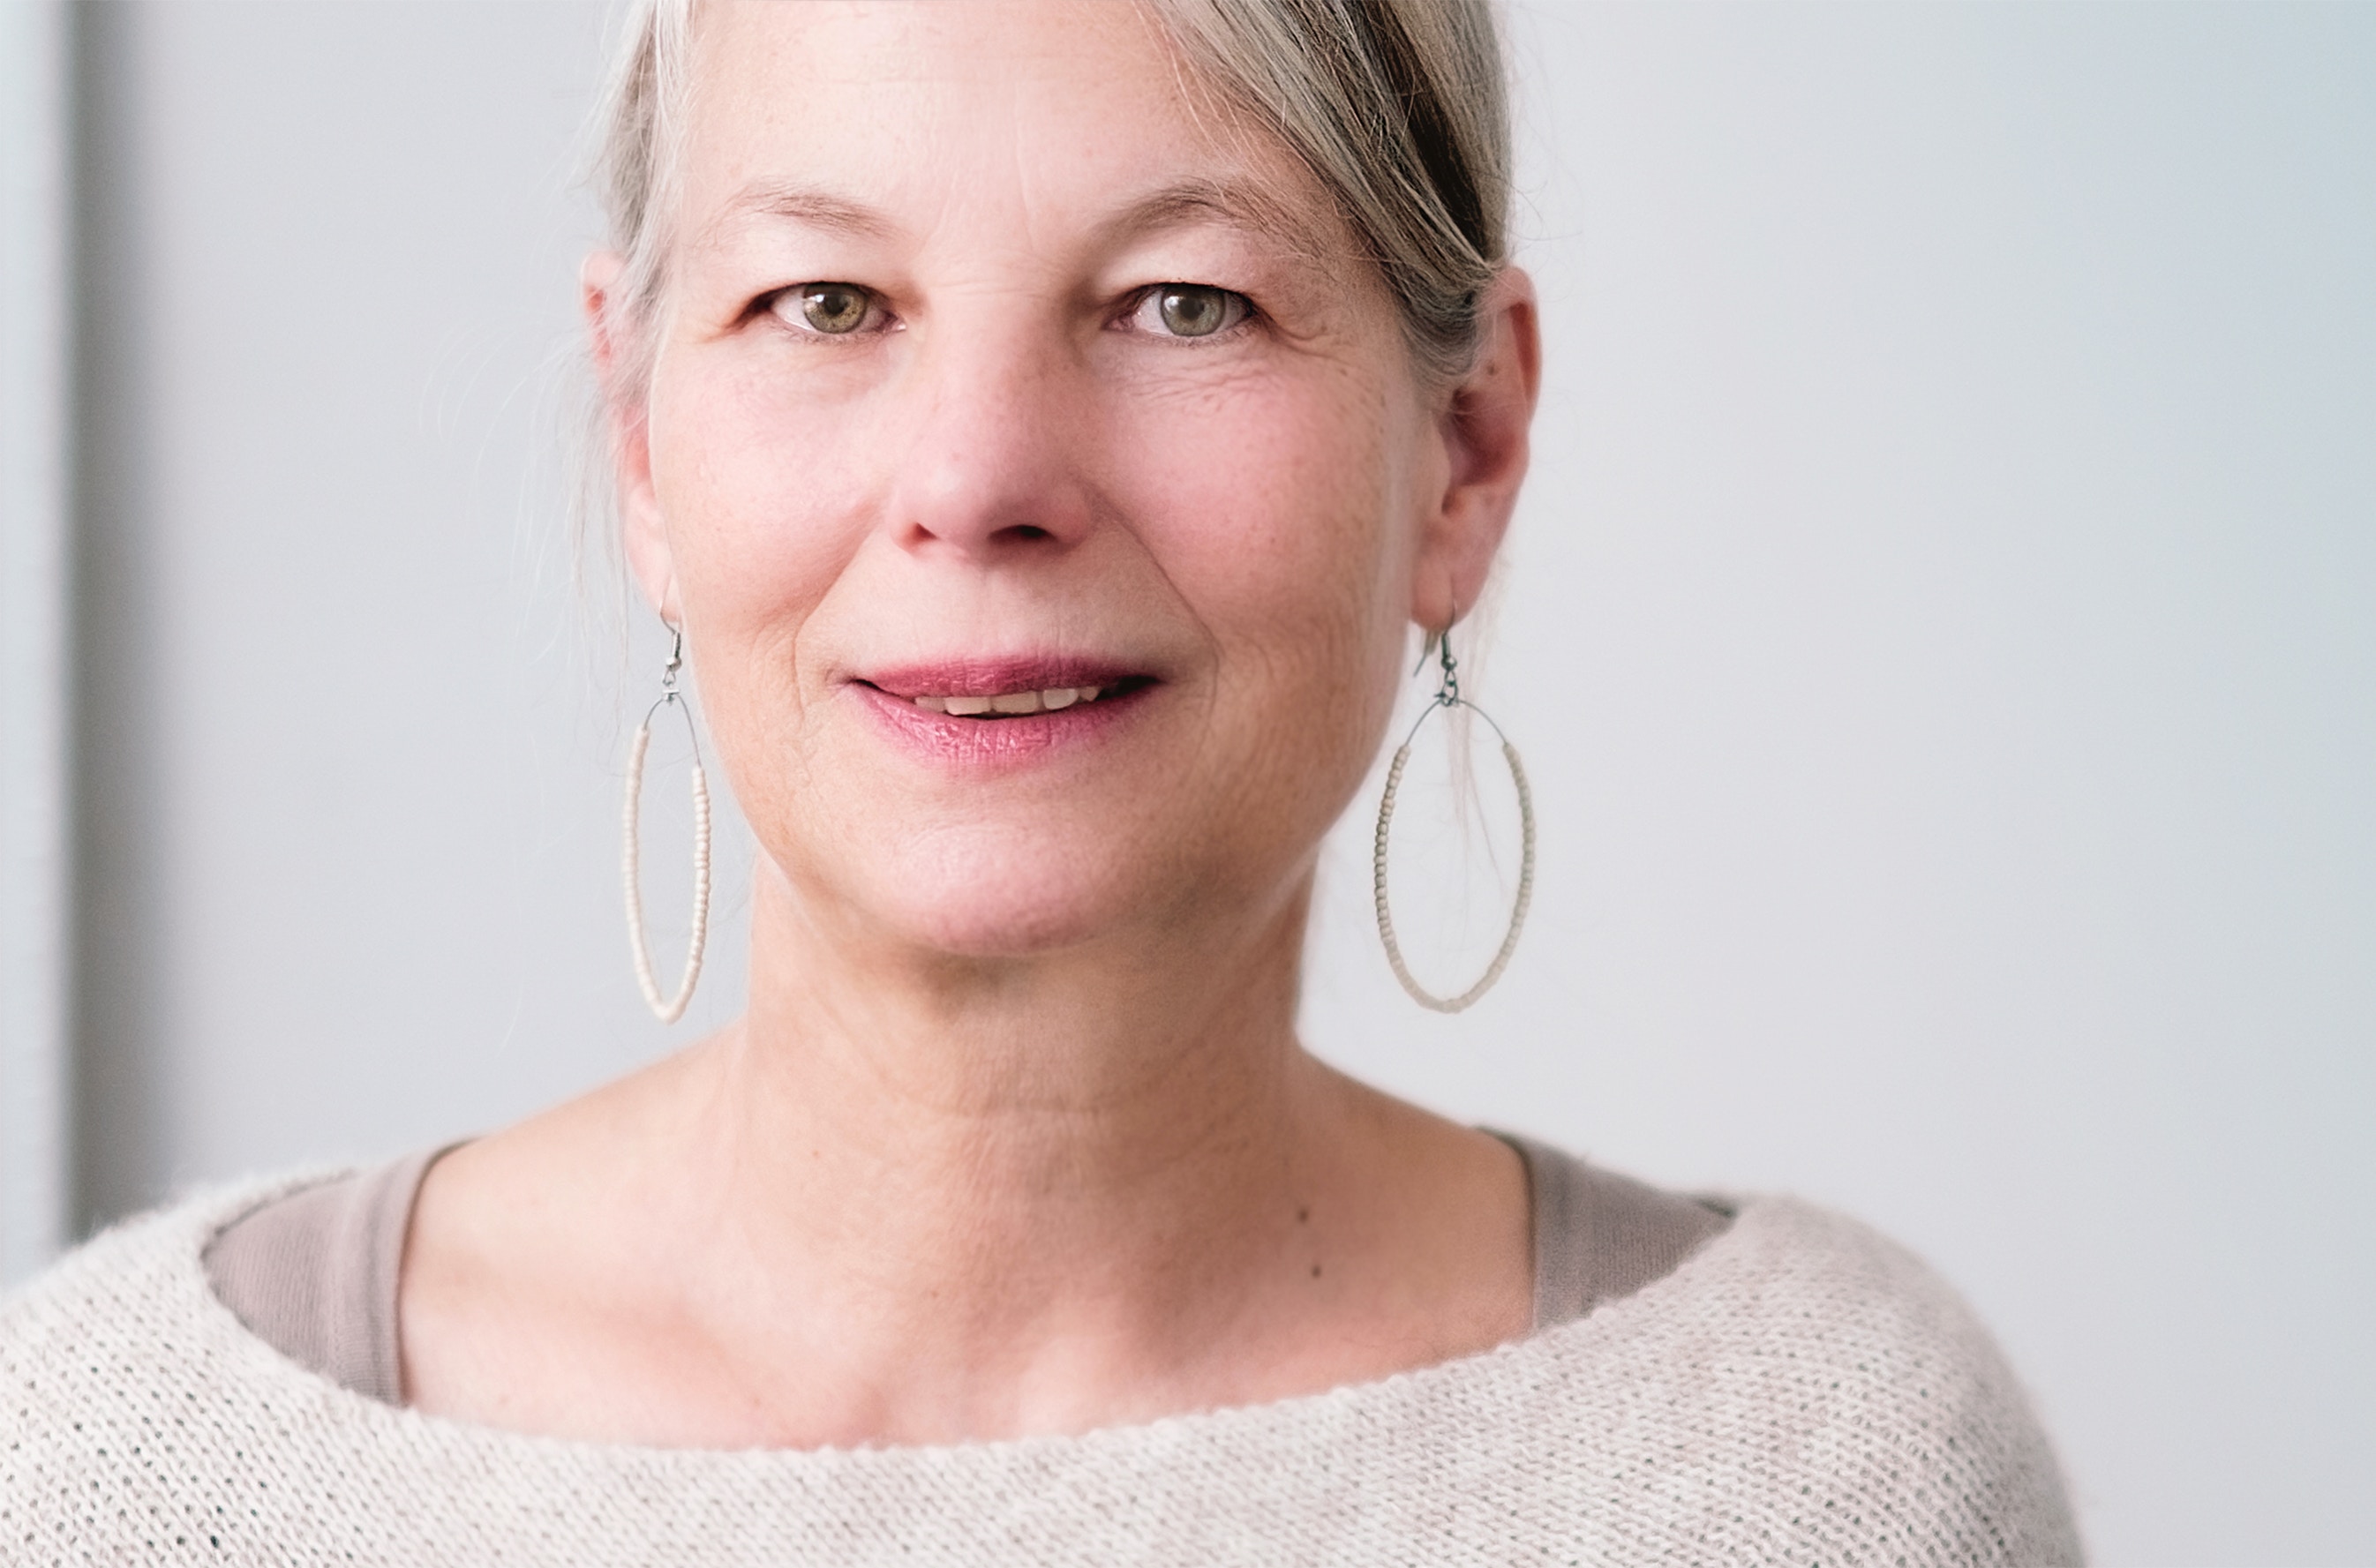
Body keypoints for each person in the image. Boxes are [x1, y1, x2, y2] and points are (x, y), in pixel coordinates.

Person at [1, 1, 2080, 1561]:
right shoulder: (118, 1469)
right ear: (643, 442)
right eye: (824, 301)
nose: (978, 476)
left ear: (1465, 452)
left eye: (1183, 299)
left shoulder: (1814, 1473)